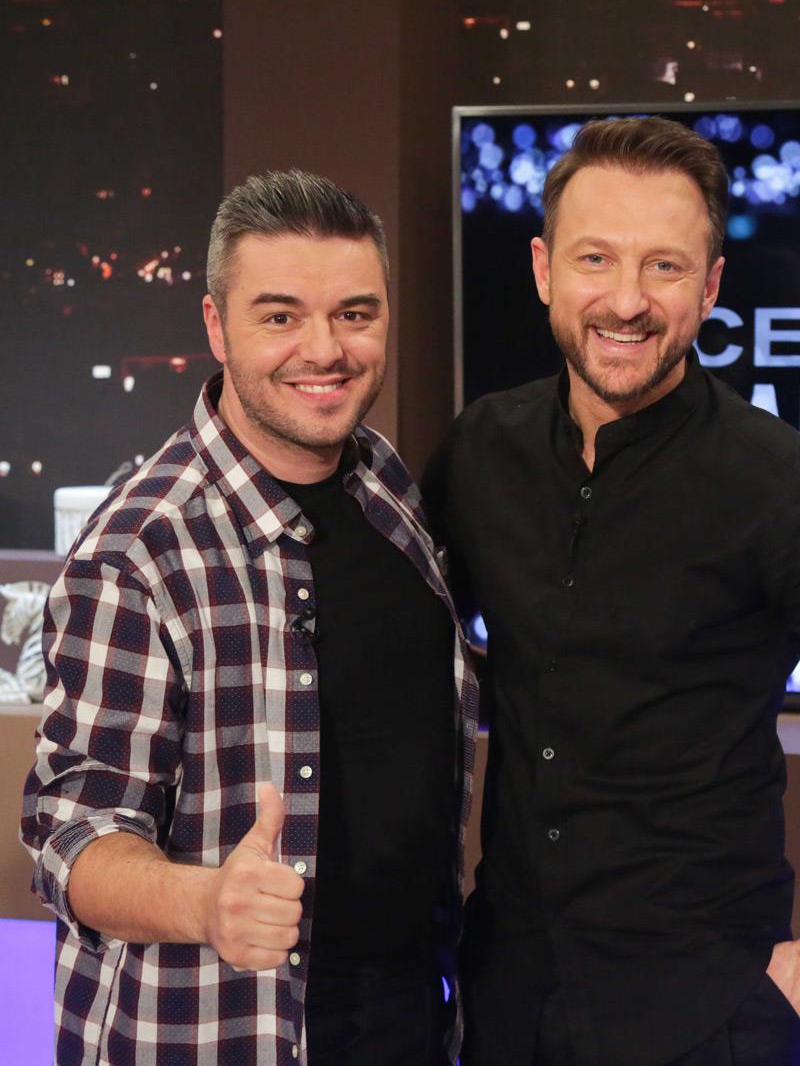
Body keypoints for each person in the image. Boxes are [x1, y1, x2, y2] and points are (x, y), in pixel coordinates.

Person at [422, 117, 800, 1066]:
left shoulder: (785, 491)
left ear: (711, 286)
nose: (627, 301)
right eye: (595, 258)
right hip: (503, 994)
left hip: (705, 1015)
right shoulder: (480, 450)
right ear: (543, 269)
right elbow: (403, 659)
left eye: (665, 267)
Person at [21, 169, 479, 1066]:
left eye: (354, 313)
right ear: (215, 325)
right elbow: (70, 834)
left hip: (410, 1019)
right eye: (280, 316)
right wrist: (207, 903)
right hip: (224, 1031)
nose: (325, 350)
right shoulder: (139, 553)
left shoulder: (385, 482)